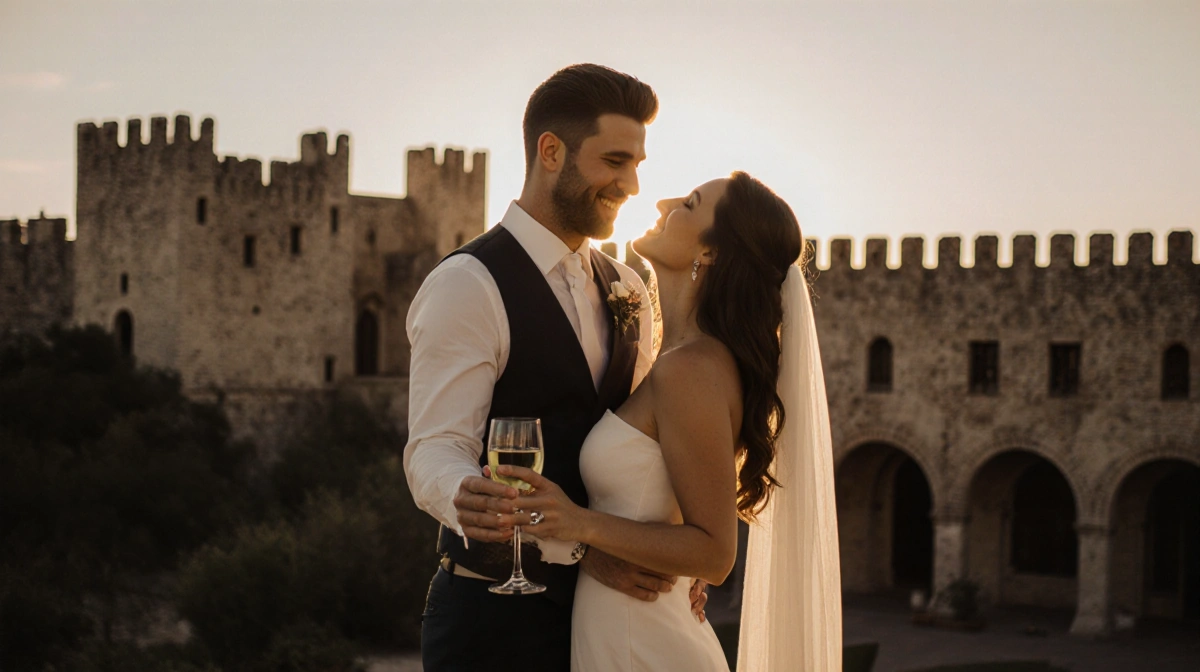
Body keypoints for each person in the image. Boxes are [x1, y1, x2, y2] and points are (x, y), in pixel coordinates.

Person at [404, 63, 705, 672]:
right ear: (550, 151)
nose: (632, 185)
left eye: (638, 165)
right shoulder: (468, 284)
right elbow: (434, 450)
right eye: (615, 161)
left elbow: (644, 442)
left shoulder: (627, 287)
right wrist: (473, 498)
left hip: (612, 621)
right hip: (494, 624)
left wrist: (681, 550)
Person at [498, 172, 844, 671]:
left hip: (647, 643)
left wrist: (578, 523)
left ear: (712, 252)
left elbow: (714, 552)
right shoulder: (679, 360)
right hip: (627, 633)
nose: (662, 201)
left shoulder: (691, 370)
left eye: (689, 203)